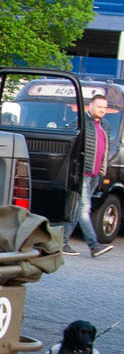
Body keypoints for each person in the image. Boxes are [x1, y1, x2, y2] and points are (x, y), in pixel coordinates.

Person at [68, 93, 116, 257]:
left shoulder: (106, 125)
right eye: (99, 107)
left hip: (96, 174)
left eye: (104, 107)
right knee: (83, 208)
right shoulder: (80, 123)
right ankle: (94, 245)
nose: (102, 110)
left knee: (76, 210)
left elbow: (105, 149)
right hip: (82, 174)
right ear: (90, 107)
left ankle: (62, 243)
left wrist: (102, 170)